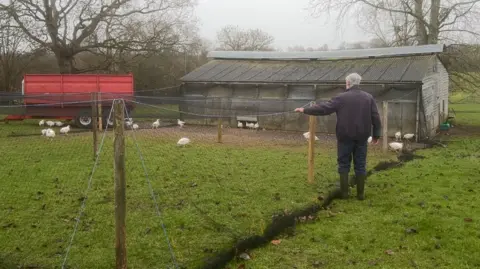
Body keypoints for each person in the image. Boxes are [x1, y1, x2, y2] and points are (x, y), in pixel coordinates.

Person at [295, 73, 381, 200]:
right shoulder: (368, 98)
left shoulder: (341, 98)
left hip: (345, 136)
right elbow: (376, 117)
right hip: (362, 136)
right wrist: (376, 135)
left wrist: (305, 110)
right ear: (358, 83)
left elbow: (325, 108)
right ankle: (361, 194)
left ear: (348, 83)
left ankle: (344, 194)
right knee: (360, 164)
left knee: (344, 163)